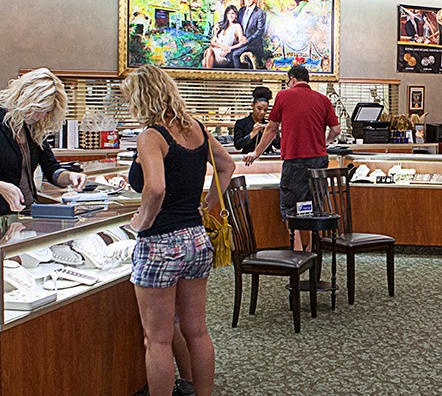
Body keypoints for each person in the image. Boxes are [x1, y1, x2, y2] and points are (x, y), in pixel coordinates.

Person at [123, 64, 235, 396]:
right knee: (196, 331)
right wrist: (206, 205)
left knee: (157, 340)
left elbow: (155, 188)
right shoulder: (197, 129)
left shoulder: (151, 136)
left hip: (160, 243)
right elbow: (227, 166)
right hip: (196, 239)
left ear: (142, 98)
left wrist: (142, 221)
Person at [244, 64, 341, 251]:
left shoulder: (283, 96)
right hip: (319, 160)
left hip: (295, 159)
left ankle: (297, 250)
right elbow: (336, 130)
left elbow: (271, 129)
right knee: (313, 205)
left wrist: (256, 153)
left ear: (293, 79)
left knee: (291, 206)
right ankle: (311, 249)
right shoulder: (323, 99)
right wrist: (324, 143)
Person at [0, 69, 85, 214]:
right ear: (25, 98)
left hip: (24, 212)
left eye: (46, 111)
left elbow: (51, 168)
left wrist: (70, 176)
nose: (41, 116)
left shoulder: (32, 129)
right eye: (38, 109)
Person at [228, 0, 267, 69]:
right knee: (228, 52)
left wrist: (247, 40)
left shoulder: (260, 13)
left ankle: (239, 76)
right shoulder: (242, 10)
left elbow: (260, 31)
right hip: (241, 42)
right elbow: (234, 21)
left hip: (253, 44)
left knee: (235, 54)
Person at [232, 86, 278, 154]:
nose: (262, 112)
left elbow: (278, 145)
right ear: (252, 106)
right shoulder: (241, 123)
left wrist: (274, 133)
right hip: (247, 157)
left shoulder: (268, 123)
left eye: (265, 110)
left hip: (266, 157)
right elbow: (238, 145)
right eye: (259, 108)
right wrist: (252, 134)